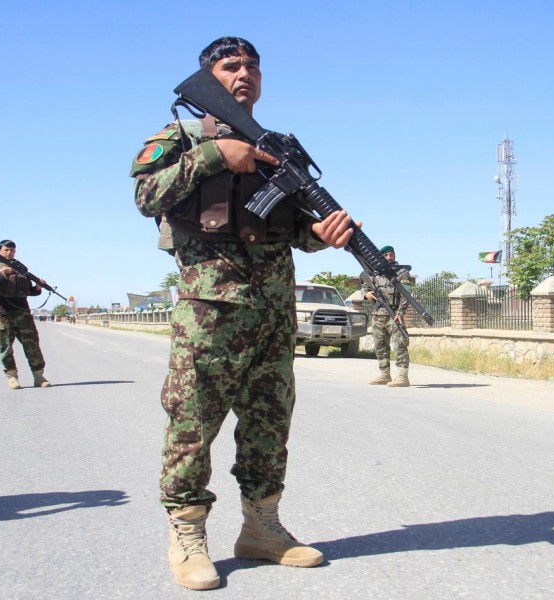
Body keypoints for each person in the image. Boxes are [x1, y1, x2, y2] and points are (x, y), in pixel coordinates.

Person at [131, 36, 356, 591]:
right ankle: (187, 534)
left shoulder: (279, 149)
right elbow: (145, 196)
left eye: (253, 67)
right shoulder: (179, 138)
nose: (245, 74)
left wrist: (321, 234)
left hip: (273, 314)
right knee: (193, 425)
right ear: (208, 77)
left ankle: (261, 528)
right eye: (231, 66)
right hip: (209, 315)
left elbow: (293, 227)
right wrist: (214, 155)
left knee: (268, 426)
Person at [0, 240, 51, 390]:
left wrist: (38, 287)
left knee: (32, 344)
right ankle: (12, 377)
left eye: (12, 251)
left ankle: (38, 376)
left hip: (22, 312)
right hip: (2, 312)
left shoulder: (20, 268)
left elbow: (27, 291)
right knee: (5, 346)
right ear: (0, 250)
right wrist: (1, 273)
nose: (9, 253)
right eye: (6, 250)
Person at [361, 245, 413, 387]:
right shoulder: (373, 273)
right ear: (381, 257)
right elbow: (364, 288)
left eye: (391, 255)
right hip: (378, 315)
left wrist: (400, 313)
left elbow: (406, 295)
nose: (389, 258)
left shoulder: (401, 272)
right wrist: (366, 294)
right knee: (380, 345)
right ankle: (384, 374)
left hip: (394, 314)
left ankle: (402, 377)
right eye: (386, 255)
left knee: (400, 344)